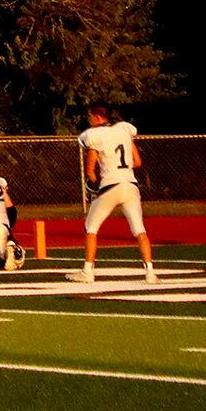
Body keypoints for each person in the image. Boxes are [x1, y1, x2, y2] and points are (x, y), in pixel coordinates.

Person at [74, 103, 156, 283]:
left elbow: (90, 171)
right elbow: (138, 162)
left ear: (96, 117)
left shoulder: (93, 135)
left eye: (90, 116)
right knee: (139, 229)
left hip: (111, 185)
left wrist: (95, 184)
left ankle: (88, 271)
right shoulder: (124, 129)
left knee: (90, 227)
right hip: (130, 184)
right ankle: (150, 272)